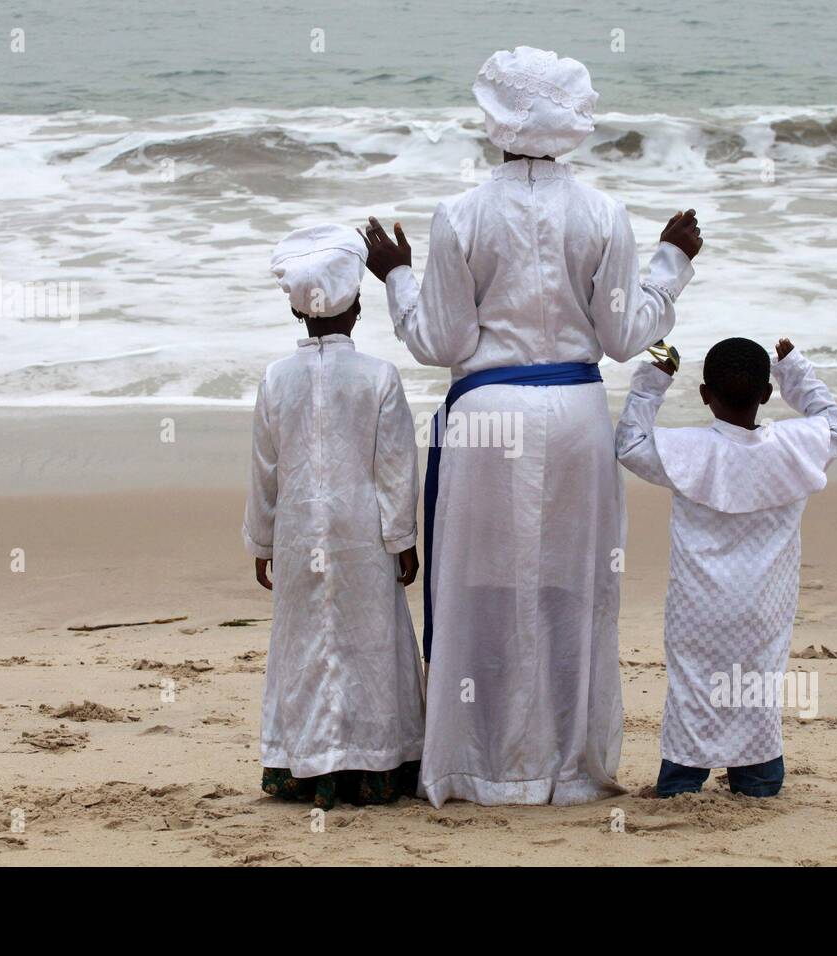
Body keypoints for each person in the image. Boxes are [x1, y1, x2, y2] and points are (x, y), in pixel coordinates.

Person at [361, 46, 703, 807]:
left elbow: (440, 344)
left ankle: (474, 765)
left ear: (496, 122)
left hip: (488, 416)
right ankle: (566, 767)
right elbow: (624, 337)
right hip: (577, 412)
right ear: (572, 122)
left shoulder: (460, 215)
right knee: (570, 588)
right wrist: (671, 264)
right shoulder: (603, 214)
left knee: (477, 589)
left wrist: (396, 277)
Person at [614, 337, 837, 797]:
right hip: (766, 603)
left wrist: (657, 376)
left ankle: (681, 782)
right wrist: (794, 370)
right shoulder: (793, 446)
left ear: (705, 394)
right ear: (766, 394)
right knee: (758, 682)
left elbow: (629, 442)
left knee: (693, 686)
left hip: (697, 603)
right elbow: (835, 426)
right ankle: (758, 780)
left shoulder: (687, 449)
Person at [243, 224, 425, 810]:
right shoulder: (378, 376)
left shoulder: (275, 378)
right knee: (370, 642)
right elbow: (395, 467)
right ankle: (371, 767)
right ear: (358, 307)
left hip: (298, 531)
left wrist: (262, 541)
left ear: (298, 313)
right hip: (362, 532)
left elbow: (265, 469)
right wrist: (402, 537)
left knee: (303, 643)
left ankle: (308, 767)